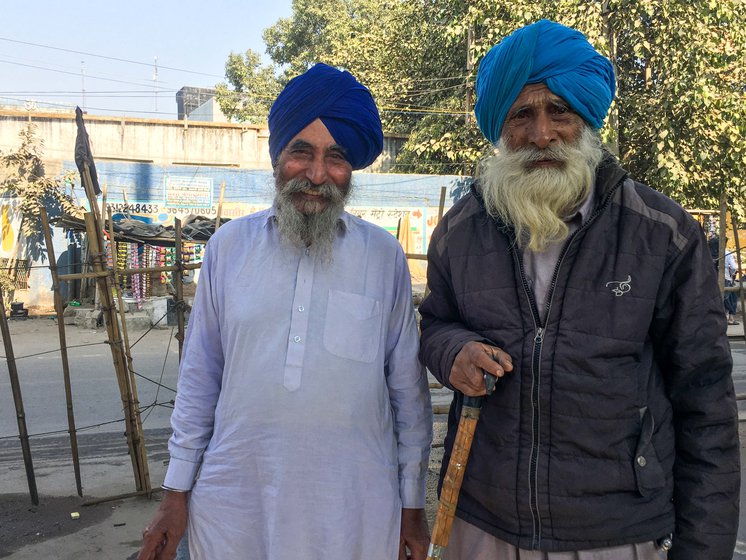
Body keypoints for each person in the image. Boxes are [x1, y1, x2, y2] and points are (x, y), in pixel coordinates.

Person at [419, 20, 739, 560]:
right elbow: (435, 323)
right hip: (484, 523)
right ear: (500, 126)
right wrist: (453, 351)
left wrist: (702, 549)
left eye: (559, 111)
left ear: (586, 119)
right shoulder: (460, 229)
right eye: (522, 114)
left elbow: (706, 402)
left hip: (618, 531)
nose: (541, 135)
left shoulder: (661, 232)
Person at [138, 63, 432, 560]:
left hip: (356, 507)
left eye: (336, 157)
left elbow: (408, 393)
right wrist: (174, 494)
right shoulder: (229, 248)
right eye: (302, 151)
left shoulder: (382, 256)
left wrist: (412, 505)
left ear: (352, 168)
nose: (318, 175)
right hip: (234, 502)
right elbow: (199, 379)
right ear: (278, 156)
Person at [725, 247, 740, 324]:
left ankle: (729, 317)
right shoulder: (727, 253)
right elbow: (734, 267)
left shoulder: (709, 252)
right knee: (731, 297)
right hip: (726, 277)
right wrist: (732, 273)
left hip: (712, 277)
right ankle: (729, 318)